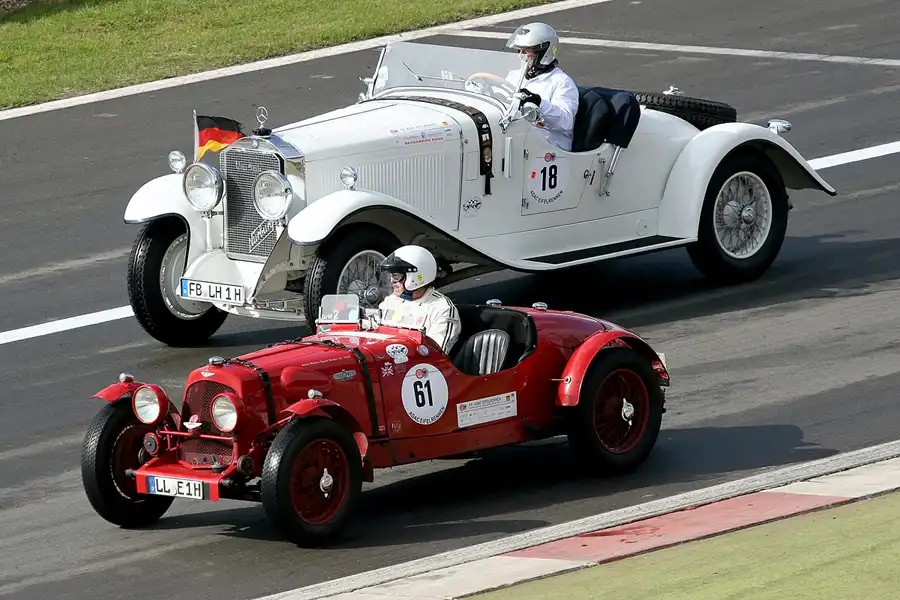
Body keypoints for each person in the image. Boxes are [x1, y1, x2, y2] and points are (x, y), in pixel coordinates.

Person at [504, 22, 580, 151]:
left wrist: (539, 103)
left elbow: (566, 122)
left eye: (527, 50)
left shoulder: (562, 82)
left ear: (543, 52)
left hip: (549, 149)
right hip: (518, 140)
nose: (521, 55)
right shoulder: (514, 76)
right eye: (520, 50)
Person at [378, 245, 462, 354]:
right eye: (392, 276)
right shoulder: (391, 301)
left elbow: (436, 354)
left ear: (417, 276)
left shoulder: (441, 308)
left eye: (397, 276)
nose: (392, 281)